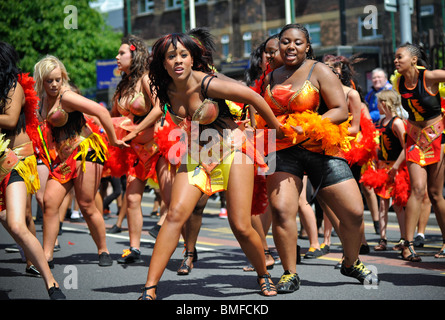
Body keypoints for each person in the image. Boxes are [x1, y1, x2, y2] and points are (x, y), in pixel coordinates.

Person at [138, 32, 285, 300]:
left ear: (193, 58)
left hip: (233, 149)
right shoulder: (166, 90)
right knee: (174, 215)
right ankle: (149, 289)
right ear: (163, 62)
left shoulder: (207, 83)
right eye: (171, 56)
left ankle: (263, 273)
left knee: (240, 225)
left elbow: (252, 97)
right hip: (198, 153)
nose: (178, 60)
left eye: (183, 54)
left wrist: (277, 128)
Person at [256, 24, 379, 293]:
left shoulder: (318, 70)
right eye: (285, 42)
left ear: (307, 46)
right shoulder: (271, 76)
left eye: (297, 42)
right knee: (281, 210)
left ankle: (350, 262)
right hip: (282, 149)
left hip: (321, 148)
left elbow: (340, 110)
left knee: (354, 212)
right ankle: (290, 272)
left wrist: (310, 126)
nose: (291, 47)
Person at [33, 55, 127, 268]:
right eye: (50, 80)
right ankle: (46, 255)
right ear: (42, 80)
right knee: (49, 202)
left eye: (58, 79)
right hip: (64, 159)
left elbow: (101, 111)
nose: (55, 84)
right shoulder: (41, 100)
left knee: (86, 204)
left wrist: (113, 139)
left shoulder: (66, 97)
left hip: (86, 152)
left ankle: (103, 249)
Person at [0, 41, 65, 299]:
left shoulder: (13, 85)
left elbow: (10, 120)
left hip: (14, 161)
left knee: (19, 221)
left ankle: (51, 283)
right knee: (11, 218)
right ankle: (32, 258)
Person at [110, 35, 176, 264]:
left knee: (170, 198)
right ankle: (134, 248)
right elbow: (113, 117)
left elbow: (160, 108)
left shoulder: (147, 79)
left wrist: (135, 129)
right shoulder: (123, 85)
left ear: (134, 54)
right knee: (132, 199)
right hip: (135, 151)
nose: (116, 57)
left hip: (158, 145)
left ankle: (188, 249)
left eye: (121, 53)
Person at [392, 42, 445, 260]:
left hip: (438, 137)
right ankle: (408, 244)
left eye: (400, 57)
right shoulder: (399, 82)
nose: (396, 61)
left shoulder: (430, 77)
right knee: (417, 189)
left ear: (414, 59)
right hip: (414, 138)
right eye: (395, 57)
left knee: (434, 193)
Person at [364, 90, 408, 251]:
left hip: (396, 168)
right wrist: (375, 161)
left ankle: (404, 238)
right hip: (382, 168)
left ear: (385, 103)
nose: (377, 105)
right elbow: (378, 144)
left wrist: (396, 167)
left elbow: (406, 148)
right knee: (383, 204)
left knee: (398, 205)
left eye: (379, 102)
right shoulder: (381, 121)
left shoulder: (397, 122)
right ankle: (383, 238)